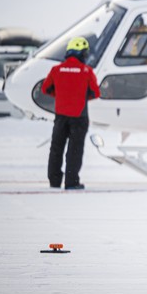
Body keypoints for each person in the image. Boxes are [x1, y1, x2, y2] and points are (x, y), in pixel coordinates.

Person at [42, 37, 100, 190]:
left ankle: (54, 181)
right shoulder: (86, 71)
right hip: (79, 117)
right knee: (74, 150)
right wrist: (80, 96)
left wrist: (61, 95)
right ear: (82, 53)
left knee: (56, 148)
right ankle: (71, 182)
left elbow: (45, 89)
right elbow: (95, 92)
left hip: (60, 116)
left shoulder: (56, 70)